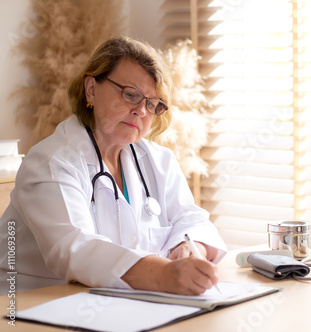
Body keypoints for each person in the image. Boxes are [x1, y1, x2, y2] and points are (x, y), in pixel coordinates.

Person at [0, 36, 226, 295]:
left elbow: (191, 218)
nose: (142, 111)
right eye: (131, 95)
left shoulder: (158, 160)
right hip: (32, 307)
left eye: (152, 104)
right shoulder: (51, 162)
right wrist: (163, 274)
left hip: (121, 305)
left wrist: (189, 247)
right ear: (91, 89)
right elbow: (74, 248)